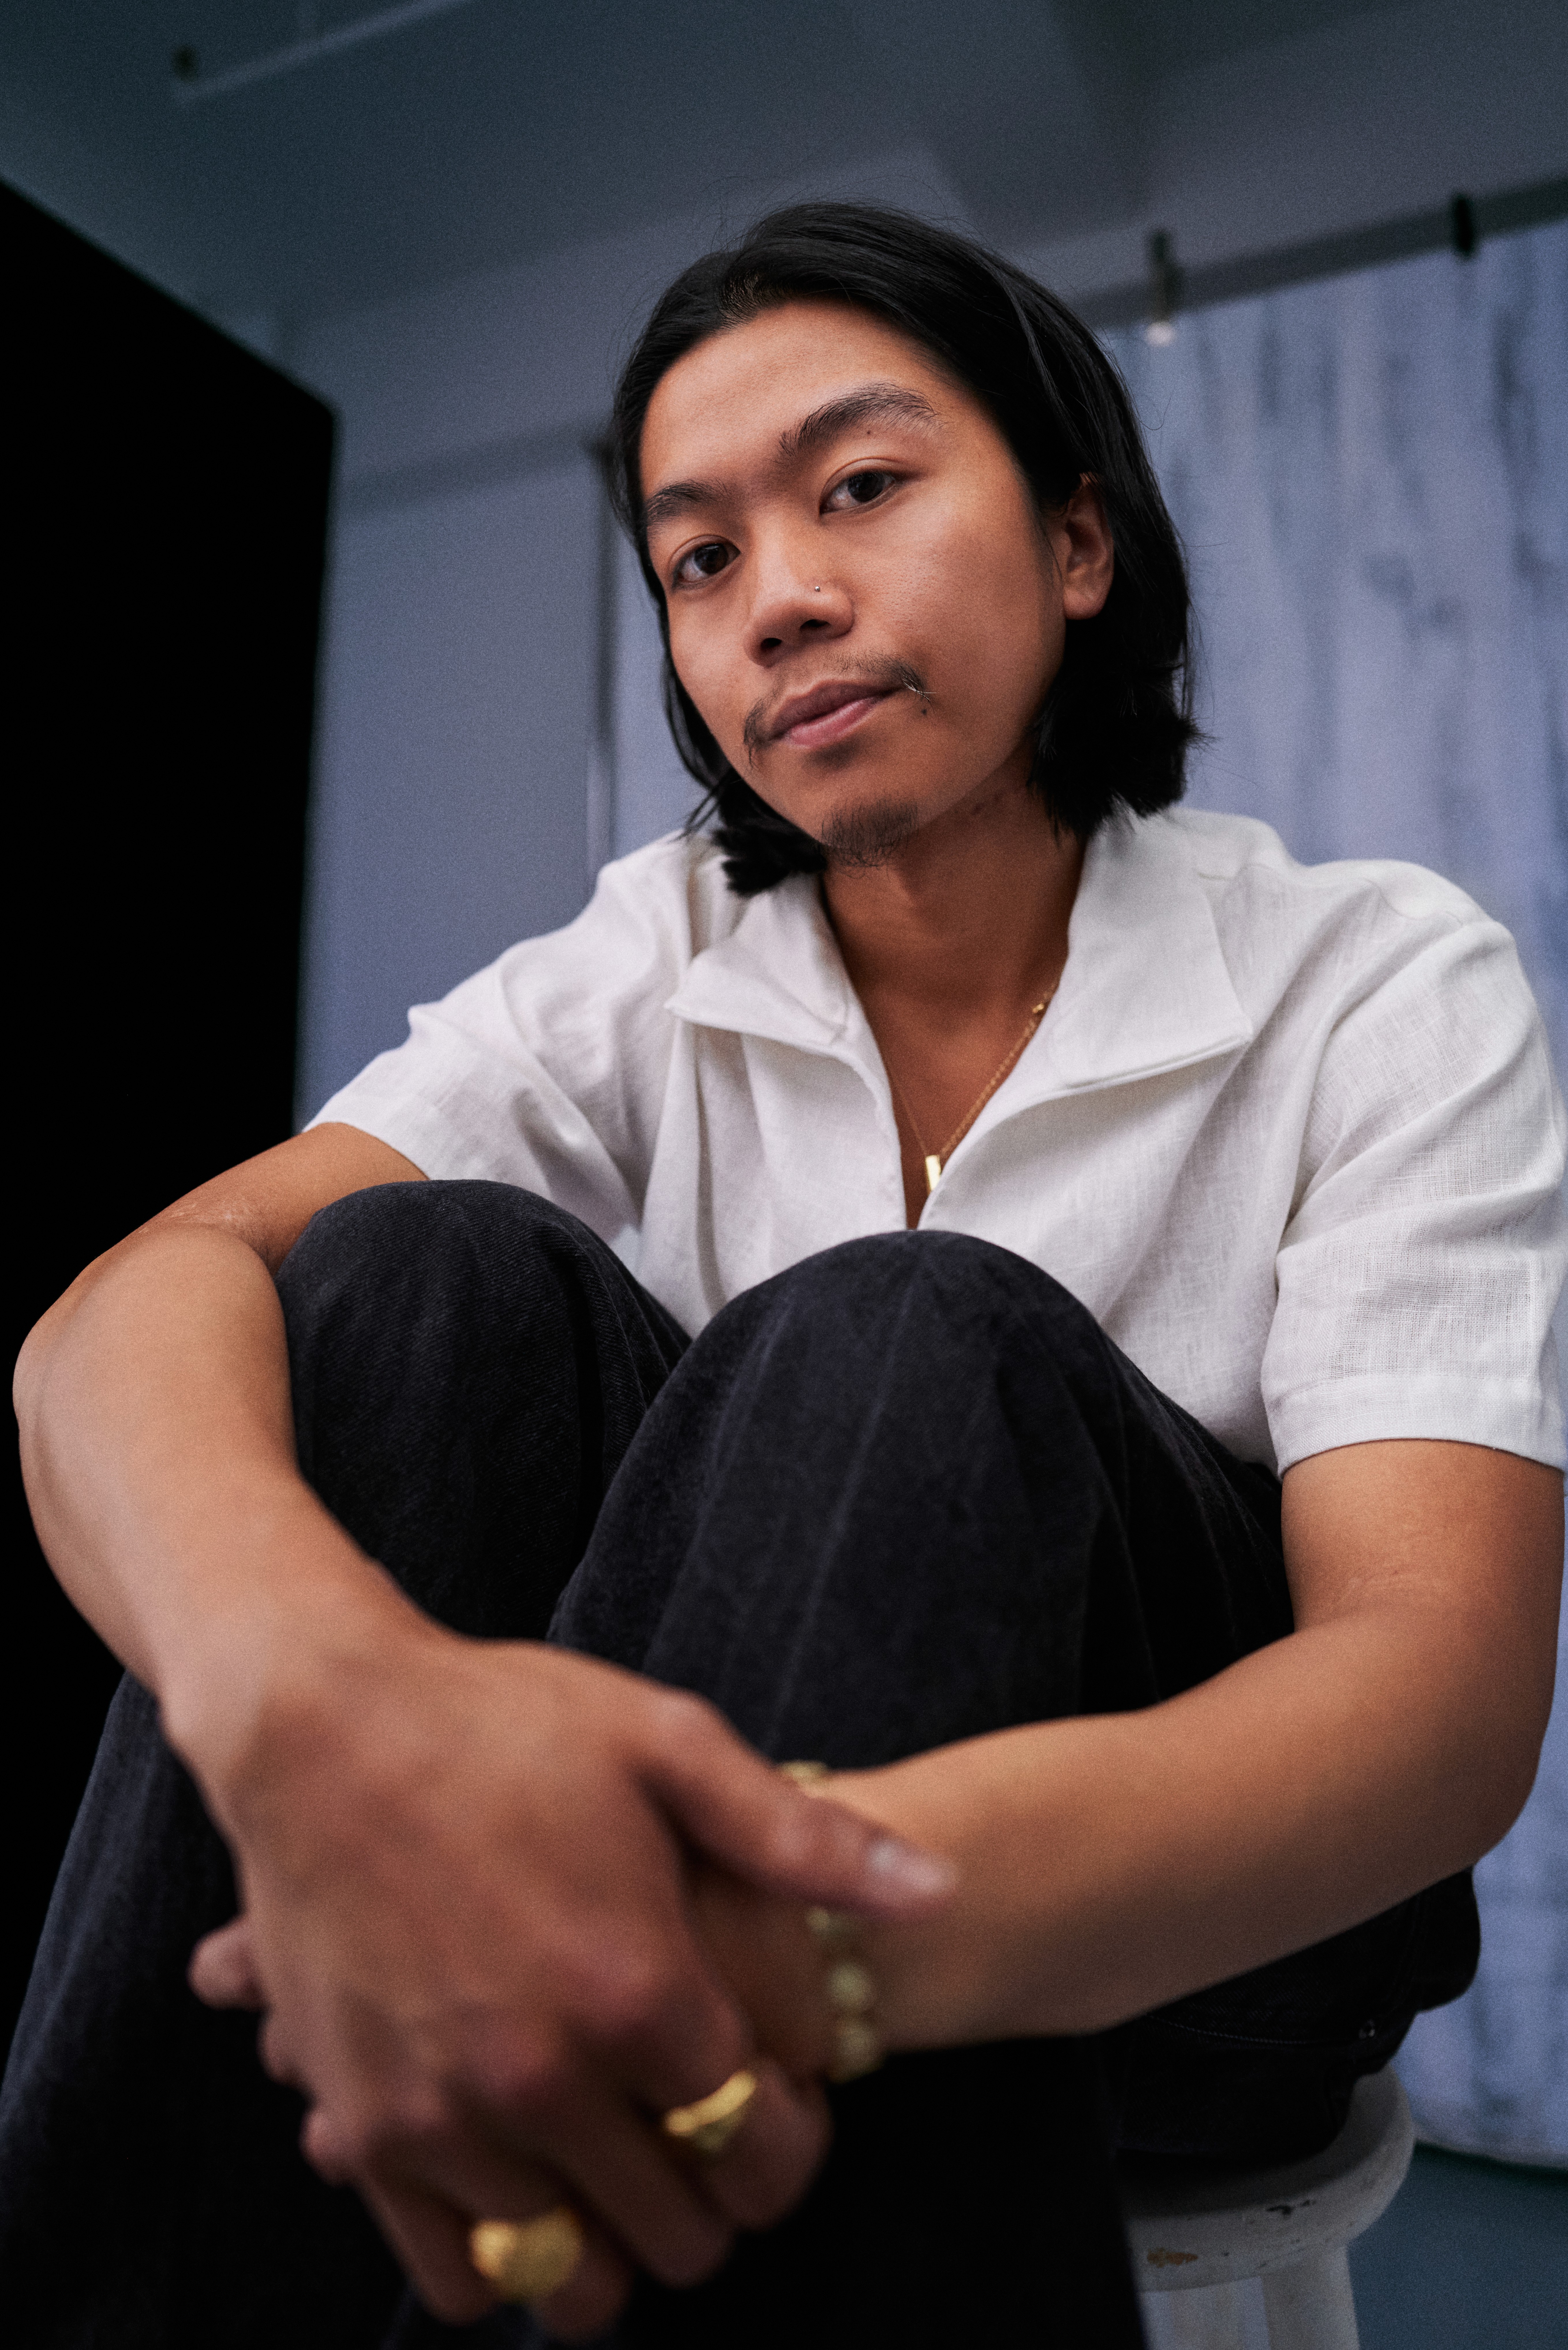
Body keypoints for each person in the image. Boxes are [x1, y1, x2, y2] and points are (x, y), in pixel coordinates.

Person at [5, 203, 1565, 2350]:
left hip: (1196, 1929)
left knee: (907, 1324)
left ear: (1079, 540)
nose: (781, 600)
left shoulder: (1380, 974)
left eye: (861, 487)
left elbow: (1437, 1702)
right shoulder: (655, 954)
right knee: (398, 1285)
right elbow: (121, 1316)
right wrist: (316, 1714)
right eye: (701, 560)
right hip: (675, 1797)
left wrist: (773, 1935)